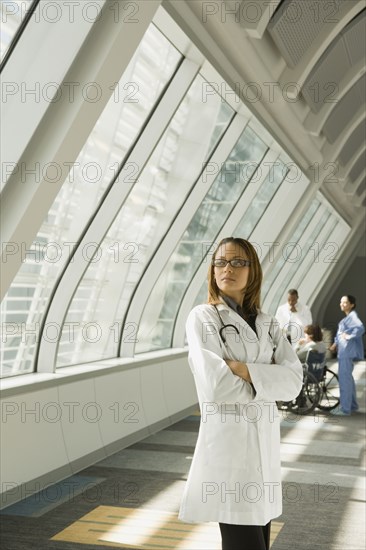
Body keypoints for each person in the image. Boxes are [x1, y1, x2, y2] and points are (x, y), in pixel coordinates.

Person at [178, 237, 303, 550]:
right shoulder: (203, 318)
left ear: (253, 271)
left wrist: (245, 371)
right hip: (230, 454)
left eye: (237, 262)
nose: (226, 268)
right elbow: (217, 387)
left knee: (260, 541)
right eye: (220, 262)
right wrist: (266, 382)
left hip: (265, 449)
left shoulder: (269, 324)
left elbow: (293, 383)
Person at [329, 295, 365, 416]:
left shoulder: (352, 317)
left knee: (345, 380)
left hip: (346, 352)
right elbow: (341, 334)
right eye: (341, 302)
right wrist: (334, 345)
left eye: (345, 302)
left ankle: (345, 409)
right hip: (344, 351)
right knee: (348, 379)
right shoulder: (348, 318)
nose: (342, 304)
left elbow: (360, 328)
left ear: (352, 304)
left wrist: (349, 337)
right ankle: (352, 405)